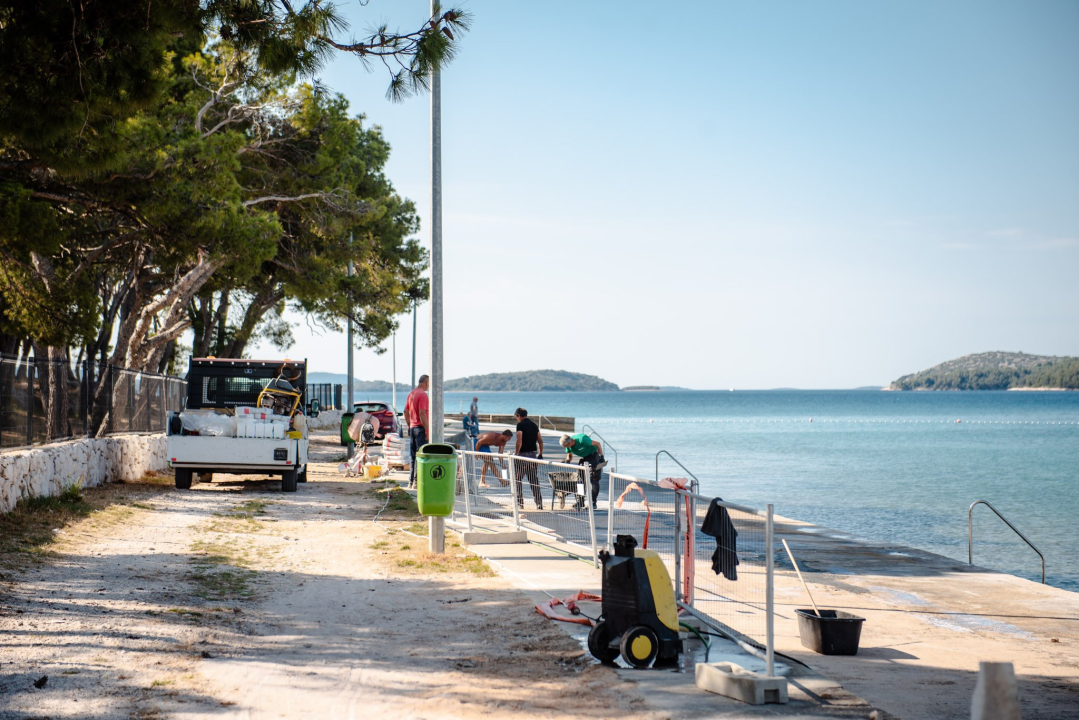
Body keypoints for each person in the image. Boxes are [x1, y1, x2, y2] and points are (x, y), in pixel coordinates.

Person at [559, 433, 606, 510]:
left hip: (593, 455)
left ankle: (593, 503)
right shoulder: (568, 446)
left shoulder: (582, 439)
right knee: (580, 480)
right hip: (584, 458)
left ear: (570, 442)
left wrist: (602, 456)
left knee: (593, 479)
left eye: (566, 446)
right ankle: (580, 501)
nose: (566, 448)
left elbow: (598, 444)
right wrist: (567, 460)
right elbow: (569, 455)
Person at [513, 408, 544, 510]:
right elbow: (540, 441)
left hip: (522, 455)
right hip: (533, 455)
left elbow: (519, 440)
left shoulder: (520, 425)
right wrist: (540, 454)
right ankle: (539, 503)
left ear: (518, 415)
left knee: (518, 480)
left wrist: (516, 454)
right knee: (533, 480)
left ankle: (520, 503)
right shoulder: (534, 425)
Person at [405, 375, 429, 488]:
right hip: (420, 429)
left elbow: (406, 411)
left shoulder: (412, 394)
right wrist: (427, 429)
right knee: (421, 455)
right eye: (429, 383)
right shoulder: (423, 395)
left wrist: (409, 425)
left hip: (413, 428)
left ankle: (411, 481)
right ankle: (417, 482)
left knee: (413, 456)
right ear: (426, 382)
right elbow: (422, 413)